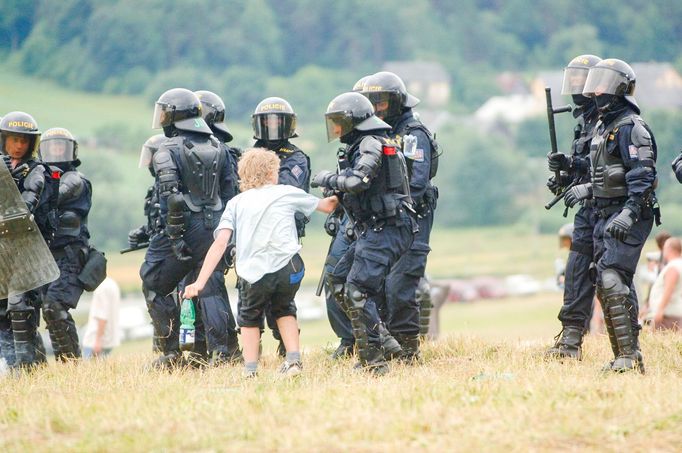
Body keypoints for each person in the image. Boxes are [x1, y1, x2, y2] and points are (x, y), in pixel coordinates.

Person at [182, 148, 338, 377]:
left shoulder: (235, 203)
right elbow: (328, 206)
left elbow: (220, 243)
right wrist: (341, 190)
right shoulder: (286, 192)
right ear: (273, 172)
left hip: (253, 274)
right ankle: (294, 361)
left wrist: (200, 282)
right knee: (284, 309)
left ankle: (250, 370)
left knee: (249, 318)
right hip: (289, 267)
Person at [566, 58, 659, 372]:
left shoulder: (632, 127)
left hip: (628, 213)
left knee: (611, 276)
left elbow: (643, 177)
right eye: (597, 82)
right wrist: (571, 170)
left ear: (620, 88)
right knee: (609, 276)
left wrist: (630, 213)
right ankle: (628, 355)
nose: (597, 90)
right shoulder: (602, 127)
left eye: (605, 83)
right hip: (603, 212)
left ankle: (628, 358)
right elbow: (602, 172)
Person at [312, 92, 415, 374]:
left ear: (354, 121)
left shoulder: (371, 143)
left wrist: (327, 179)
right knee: (338, 280)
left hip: (389, 227)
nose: (335, 129)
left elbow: (360, 180)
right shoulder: (360, 144)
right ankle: (383, 337)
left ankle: (373, 361)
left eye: (339, 122)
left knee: (357, 289)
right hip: (374, 228)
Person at [140, 88, 239, 369]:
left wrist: (174, 237)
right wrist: (227, 236)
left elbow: (171, 197)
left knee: (153, 283)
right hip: (216, 228)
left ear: (173, 115)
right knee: (209, 286)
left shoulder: (166, 149)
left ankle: (172, 352)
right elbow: (230, 194)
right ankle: (224, 353)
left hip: (184, 228)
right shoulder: (220, 147)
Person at [362, 71, 439, 361]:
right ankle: (383, 345)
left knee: (401, 286)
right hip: (385, 221)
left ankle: (408, 351)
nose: (377, 109)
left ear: (395, 103)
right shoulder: (377, 133)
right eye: (373, 104)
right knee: (378, 284)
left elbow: (416, 184)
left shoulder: (413, 134)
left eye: (382, 103)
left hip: (412, 220)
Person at [543, 55, 603, 361]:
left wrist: (581, 175)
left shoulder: (613, 122)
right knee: (577, 272)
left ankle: (629, 346)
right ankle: (569, 342)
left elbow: (614, 169)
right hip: (587, 211)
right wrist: (564, 174)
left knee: (613, 277)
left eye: (583, 81)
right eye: (574, 80)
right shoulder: (585, 124)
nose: (577, 88)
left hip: (611, 211)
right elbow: (585, 168)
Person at [251, 97, 311, 356]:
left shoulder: (296, 158)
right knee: (253, 290)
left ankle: (287, 345)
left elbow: (285, 191)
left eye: (278, 122)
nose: (273, 127)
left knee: (282, 296)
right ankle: (253, 347)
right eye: (268, 122)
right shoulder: (250, 154)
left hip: (283, 235)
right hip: (255, 235)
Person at [0, 112, 55, 369]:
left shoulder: (37, 171)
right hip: (3, 250)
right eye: (14, 139)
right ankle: (16, 366)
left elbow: (29, 201)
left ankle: (26, 367)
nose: (19, 145)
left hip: (28, 251)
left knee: (21, 307)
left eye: (24, 140)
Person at [39, 127, 93, 361]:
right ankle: (32, 366)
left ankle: (71, 363)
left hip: (69, 256)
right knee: (31, 310)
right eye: (52, 147)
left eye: (61, 146)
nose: (57, 151)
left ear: (71, 150)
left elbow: (52, 198)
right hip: (44, 255)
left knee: (54, 306)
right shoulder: (38, 177)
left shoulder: (75, 180)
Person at [645, 237, 682, 331]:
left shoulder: (673, 267)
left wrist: (660, 310)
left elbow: (668, 290)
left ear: (669, 249)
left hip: (668, 314)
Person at [82, 277, 121, 358]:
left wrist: (98, 341)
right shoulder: (112, 284)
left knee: (88, 368)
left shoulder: (101, 287)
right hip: (110, 338)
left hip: (95, 340)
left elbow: (102, 316)